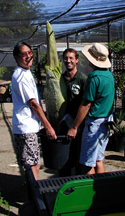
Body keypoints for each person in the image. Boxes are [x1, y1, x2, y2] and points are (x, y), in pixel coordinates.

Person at [67, 43, 115, 175]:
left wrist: (74, 127)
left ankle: (90, 194)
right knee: (98, 160)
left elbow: (86, 104)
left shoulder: (94, 77)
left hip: (94, 125)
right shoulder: (109, 75)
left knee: (87, 164)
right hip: (106, 123)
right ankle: (103, 191)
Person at [12, 41, 57, 180]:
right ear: (16, 57)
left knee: (31, 163)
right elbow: (33, 104)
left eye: (30, 52)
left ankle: (31, 194)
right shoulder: (22, 76)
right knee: (33, 165)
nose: (28, 56)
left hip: (25, 127)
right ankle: (33, 197)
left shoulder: (25, 72)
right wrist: (48, 126)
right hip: (27, 128)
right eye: (23, 54)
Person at [59, 48, 87, 176]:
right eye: (66, 58)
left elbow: (86, 104)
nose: (68, 61)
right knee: (63, 160)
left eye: (71, 58)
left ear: (77, 60)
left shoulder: (82, 79)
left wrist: (75, 127)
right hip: (63, 124)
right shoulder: (60, 79)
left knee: (78, 159)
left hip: (78, 126)